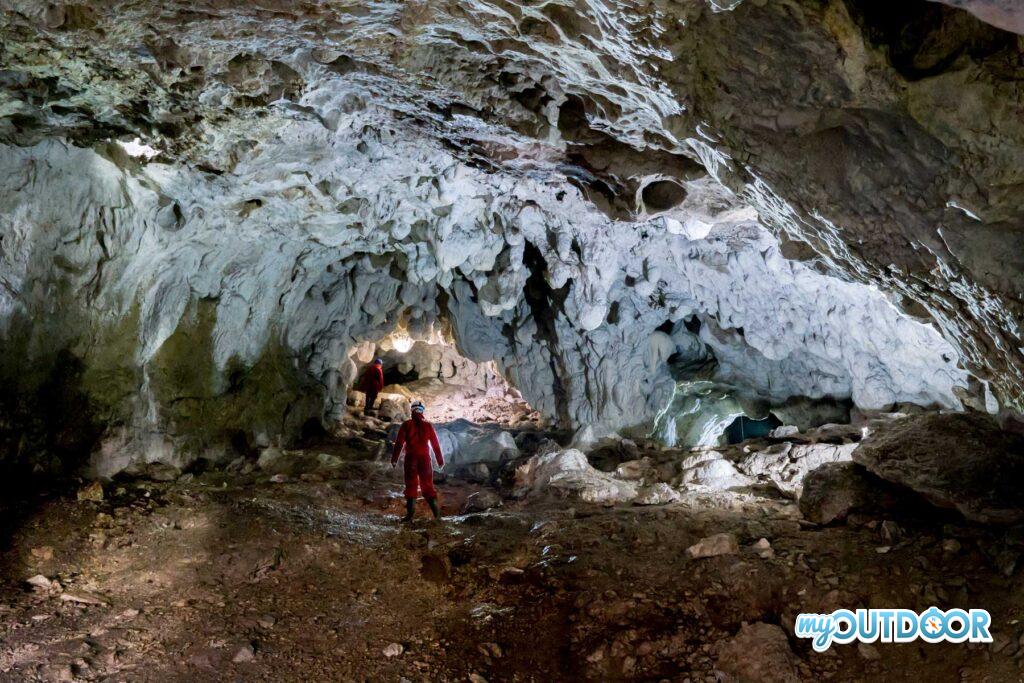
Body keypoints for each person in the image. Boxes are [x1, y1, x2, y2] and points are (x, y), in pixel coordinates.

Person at [391, 401, 444, 522]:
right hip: (425, 459)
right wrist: (440, 460)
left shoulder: (406, 425)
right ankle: (437, 516)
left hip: (411, 459)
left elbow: (399, 443)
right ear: (422, 411)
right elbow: (435, 445)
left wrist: (394, 459)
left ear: (412, 411)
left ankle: (410, 516)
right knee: (427, 486)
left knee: (411, 485)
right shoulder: (428, 426)